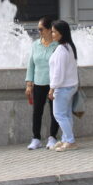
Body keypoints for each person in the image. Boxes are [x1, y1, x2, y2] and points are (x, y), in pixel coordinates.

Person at [24, 15, 60, 150]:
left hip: (53, 84)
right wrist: (29, 84)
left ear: (50, 29)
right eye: (38, 29)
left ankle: (52, 137)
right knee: (37, 112)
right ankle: (36, 138)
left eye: (41, 29)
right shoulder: (35, 45)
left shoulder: (58, 45)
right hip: (38, 83)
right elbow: (31, 65)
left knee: (54, 112)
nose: (38, 32)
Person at [48, 19, 80, 152]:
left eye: (54, 32)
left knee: (59, 115)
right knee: (66, 115)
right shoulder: (69, 46)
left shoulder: (61, 49)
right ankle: (66, 139)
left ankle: (70, 141)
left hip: (63, 87)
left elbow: (58, 73)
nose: (52, 34)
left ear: (61, 33)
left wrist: (52, 88)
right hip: (71, 86)